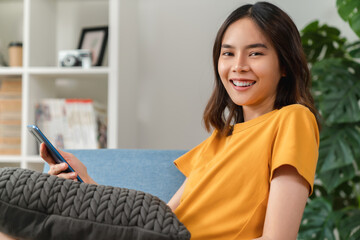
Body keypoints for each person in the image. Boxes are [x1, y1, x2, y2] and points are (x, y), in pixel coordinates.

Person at [3, 2, 320, 240]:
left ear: (284, 65)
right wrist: (86, 181)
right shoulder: (220, 139)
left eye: (255, 54)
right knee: (21, 212)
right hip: (162, 232)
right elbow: (162, 218)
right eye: (227, 53)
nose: (238, 66)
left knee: (12, 193)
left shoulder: (293, 120)